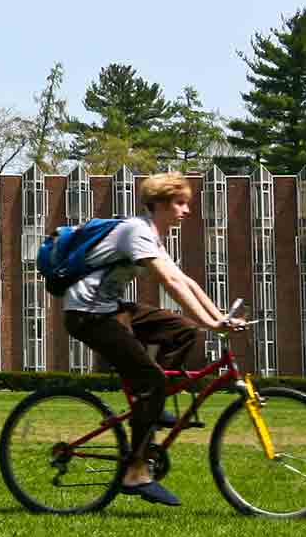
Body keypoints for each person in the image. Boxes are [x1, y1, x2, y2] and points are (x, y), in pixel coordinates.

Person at [61, 172, 246, 507]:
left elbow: (183, 279)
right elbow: (169, 283)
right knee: (151, 380)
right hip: (87, 315)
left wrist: (217, 318)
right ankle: (135, 471)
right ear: (158, 204)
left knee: (184, 331)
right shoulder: (136, 232)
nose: (187, 211)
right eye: (179, 203)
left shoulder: (151, 234)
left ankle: (153, 402)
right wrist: (211, 322)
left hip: (111, 309)